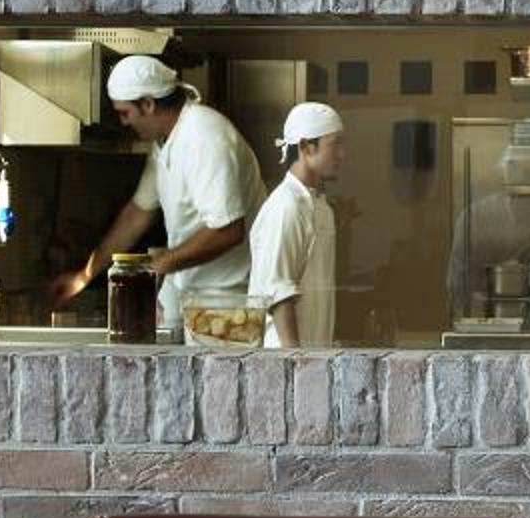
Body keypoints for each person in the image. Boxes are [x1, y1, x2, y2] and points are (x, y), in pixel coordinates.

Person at [45, 55, 263, 333]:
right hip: (189, 288)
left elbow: (228, 230)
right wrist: (84, 275)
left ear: (148, 104)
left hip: (228, 296)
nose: (123, 122)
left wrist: (158, 266)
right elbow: (137, 213)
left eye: (125, 113)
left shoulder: (204, 136)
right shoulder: (165, 142)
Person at [248, 101, 344, 348]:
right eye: (334, 145)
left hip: (313, 356)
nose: (342, 154)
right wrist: (296, 360)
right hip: (283, 358)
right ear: (305, 147)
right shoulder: (285, 207)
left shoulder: (319, 206)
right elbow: (278, 293)